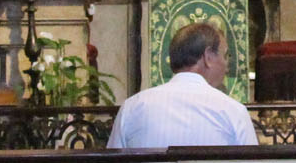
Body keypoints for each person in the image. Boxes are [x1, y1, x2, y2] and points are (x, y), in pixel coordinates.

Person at [106, 21, 256, 149]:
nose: (227, 65)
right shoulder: (233, 112)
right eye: (225, 55)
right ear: (208, 56)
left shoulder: (132, 108)